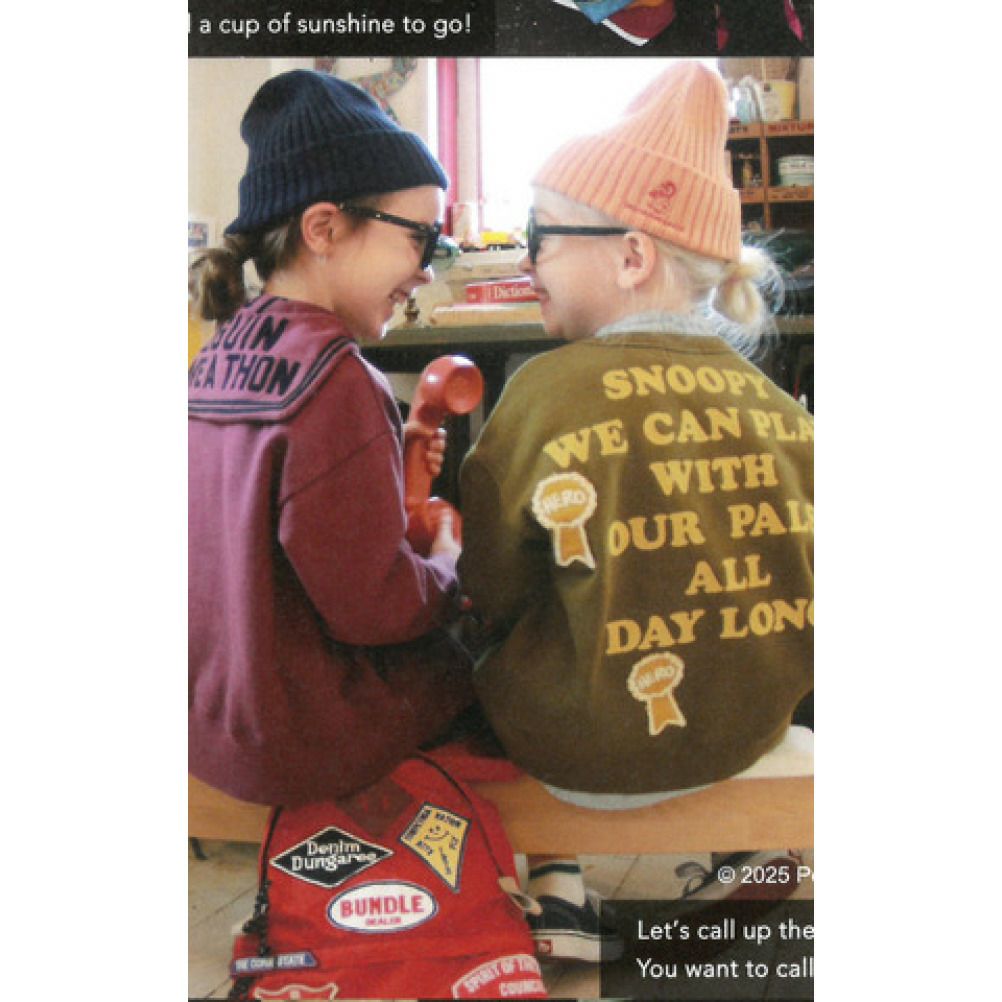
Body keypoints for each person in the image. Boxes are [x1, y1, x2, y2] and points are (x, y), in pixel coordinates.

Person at [458, 61, 813, 959]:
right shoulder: (786, 412)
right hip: (749, 728)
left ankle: (556, 884)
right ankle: (747, 852)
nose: (526, 258)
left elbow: (490, 592)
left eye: (541, 235)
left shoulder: (539, 395)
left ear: (631, 255)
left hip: (576, 749)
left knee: (470, 643)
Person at [188, 69, 475, 807]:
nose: (425, 270)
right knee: (483, 660)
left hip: (212, 726)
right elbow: (375, 608)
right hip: (307, 740)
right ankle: (536, 856)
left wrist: (386, 453)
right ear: (323, 229)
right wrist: (448, 569)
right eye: (420, 239)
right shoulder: (339, 378)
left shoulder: (218, 352)